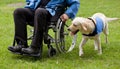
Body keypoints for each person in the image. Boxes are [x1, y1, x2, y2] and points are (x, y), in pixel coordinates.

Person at [8, 0, 80, 57]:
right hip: (36, 10)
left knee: (40, 11)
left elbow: (75, 3)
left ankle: (35, 48)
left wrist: (68, 14)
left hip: (52, 13)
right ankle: (21, 44)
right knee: (18, 12)